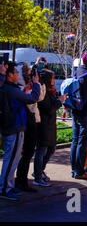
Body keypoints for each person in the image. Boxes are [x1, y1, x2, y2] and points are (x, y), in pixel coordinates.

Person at [0, 62, 41, 201]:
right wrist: (36, 84)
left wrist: (24, 90)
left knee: (12, 159)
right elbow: (32, 98)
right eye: (16, 72)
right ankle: (5, 188)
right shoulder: (9, 89)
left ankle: (8, 185)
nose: (18, 74)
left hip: (13, 127)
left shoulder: (9, 88)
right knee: (10, 160)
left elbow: (17, 100)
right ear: (9, 74)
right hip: (14, 128)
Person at [15, 63, 46, 192]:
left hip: (32, 119)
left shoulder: (27, 86)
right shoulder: (21, 88)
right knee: (25, 153)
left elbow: (40, 97)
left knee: (28, 153)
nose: (30, 73)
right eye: (28, 71)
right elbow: (34, 98)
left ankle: (22, 181)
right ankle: (19, 182)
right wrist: (37, 84)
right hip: (27, 121)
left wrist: (39, 84)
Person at [33, 69, 67, 187]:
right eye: (52, 78)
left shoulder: (49, 91)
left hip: (50, 124)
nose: (54, 80)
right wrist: (59, 101)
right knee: (42, 150)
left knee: (51, 148)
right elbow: (48, 108)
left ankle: (39, 170)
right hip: (43, 125)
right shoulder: (43, 91)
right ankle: (37, 176)